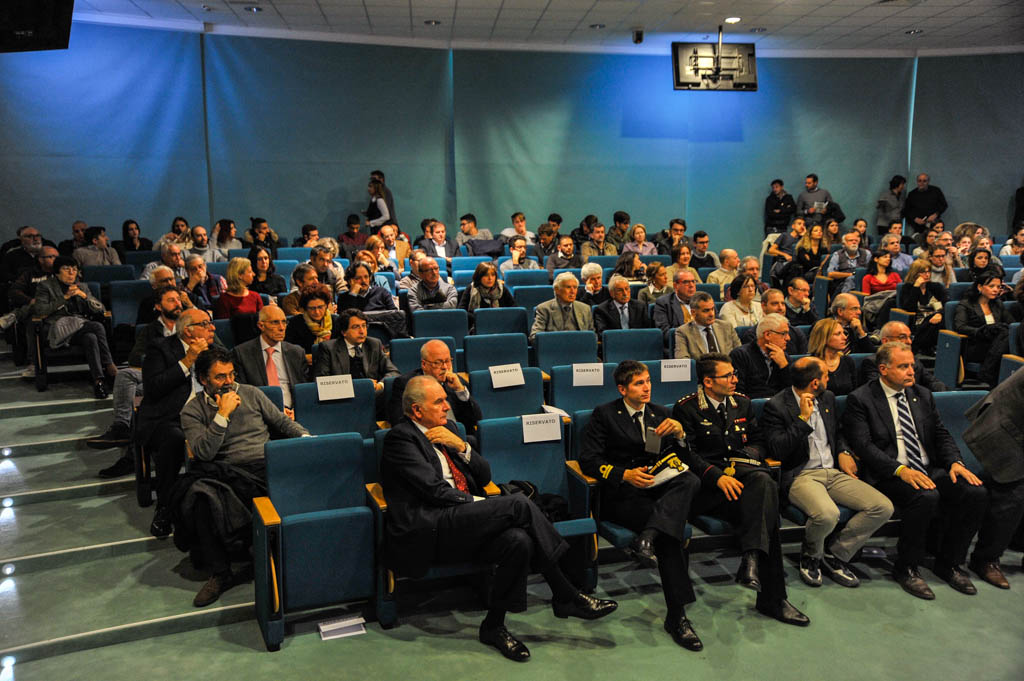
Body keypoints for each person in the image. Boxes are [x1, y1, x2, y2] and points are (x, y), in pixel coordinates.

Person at [381, 375, 616, 661]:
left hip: (461, 520)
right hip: (430, 526)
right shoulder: (401, 439)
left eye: (446, 399)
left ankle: (494, 626)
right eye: (439, 401)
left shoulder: (449, 430)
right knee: (518, 505)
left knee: (518, 541)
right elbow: (434, 491)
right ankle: (566, 592)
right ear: (417, 410)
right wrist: (481, 504)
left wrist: (462, 447)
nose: (447, 406)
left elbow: (484, 476)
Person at [673, 353, 809, 626]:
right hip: (707, 490)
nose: (734, 379)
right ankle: (771, 595)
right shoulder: (686, 408)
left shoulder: (742, 403)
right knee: (766, 506)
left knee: (763, 489)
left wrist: (746, 457)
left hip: (741, 481)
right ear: (708, 382)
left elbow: (759, 442)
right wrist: (718, 477)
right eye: (727, 376)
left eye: (734, 374)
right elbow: (687, 456)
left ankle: (751, 561)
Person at [843, 343, 987, 599]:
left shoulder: (922, 394)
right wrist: (900, 470)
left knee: (974, 492)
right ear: (883, 369)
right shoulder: (861, 398)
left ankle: (950, 563)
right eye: (903, 366)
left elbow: (941, 434)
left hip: (927, 467)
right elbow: (864, 447)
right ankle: (907, 567)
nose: (911, 371)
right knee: (925, 496)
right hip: (888, 473)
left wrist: (955, 462)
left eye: (912, 365)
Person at [579, 361, 704, 650]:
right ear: (622, 389)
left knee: (690, 480)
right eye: (639, 383)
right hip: (624, 495)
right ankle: (677, 617)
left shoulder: (661, 413)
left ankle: (647, 537)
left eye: (648, 381)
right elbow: (589, 460)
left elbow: (683, 459)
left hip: (657, 489)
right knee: (670, 535)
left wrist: (681, 435)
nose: (647, 387)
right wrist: (624, 475)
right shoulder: (605, 415)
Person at [175, 346, 310, 606]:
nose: (228, 382)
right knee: (199, 497)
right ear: (203, 379)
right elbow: (203, 453)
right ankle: (221, 573)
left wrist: (307, 438)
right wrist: (222, 415)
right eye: (220, 377)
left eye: (231, 375)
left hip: (264, 465)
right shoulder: (192, 411)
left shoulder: (251, 393)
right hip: (224, 471)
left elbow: (282, 423)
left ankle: (292, 558)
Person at [762, 357, 894, 587]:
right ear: (815, 382)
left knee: (882, 507)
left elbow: (838, 431)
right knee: (827, 514)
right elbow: (777, 449)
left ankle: (836, 554)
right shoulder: (777, 405)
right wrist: (802, 419)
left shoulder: (827, 398)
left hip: (832, 472)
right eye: (826, 375)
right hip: (801, 475)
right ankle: (811, 556)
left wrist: (843, 451)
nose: (829, 378)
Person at [89, 286, 185, 473]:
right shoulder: (150, 330)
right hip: (158, 375)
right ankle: (122, 428)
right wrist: (160, 358)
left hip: (186, 375)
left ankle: (131, 456)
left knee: (142, 401)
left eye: (178, 299)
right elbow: (135, 358)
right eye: (171, 300)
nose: (177, 304)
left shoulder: (191, 325)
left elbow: (218, 351)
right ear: (159, 306)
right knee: (126, 375)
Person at [139, 308, 217, 537]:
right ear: (188, 331)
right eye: (205, 324)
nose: (212, 328)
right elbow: (154, 388)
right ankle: (165, 507)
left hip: (207, 415)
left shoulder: (213, 350)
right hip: (169, 417)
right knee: (174, 439)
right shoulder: (160, 348)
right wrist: (188, 360)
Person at [962, 369, 1024, 588]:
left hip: (1016, 423)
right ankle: (985, 560)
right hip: (1002, 426)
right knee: (1013, 494)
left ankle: (1017, 542)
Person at [32, 257, 116, 398]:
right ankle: (109, 365)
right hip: (59, 328)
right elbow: (40, 311)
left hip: (80, 328)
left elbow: (101, 309)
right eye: (66, 269)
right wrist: (64, 297)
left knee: (90, 338)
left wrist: (84, 296)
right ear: (57, 272)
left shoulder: (82, 286)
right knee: (96, 326)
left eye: (75, 269)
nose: (71, 273)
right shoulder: (45, 286)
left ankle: (99, 382)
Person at [386, 339, 482, 431]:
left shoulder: (456, 382)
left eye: (448, 361)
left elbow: (476, 418)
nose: (445, 367)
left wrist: (460, 390)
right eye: (438, 362)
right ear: (424, 364)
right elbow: (398, 421)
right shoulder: (406, 384)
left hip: (459, 436)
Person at [232, 305, 309, 416]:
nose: (282, 328)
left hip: (293, 413)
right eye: (275, 322)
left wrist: (297, 410)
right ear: (261, 326)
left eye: (284, 322)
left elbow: (304, 390)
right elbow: (243, 393)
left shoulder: (296, 352)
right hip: (260, 414)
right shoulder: (242, 353)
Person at [314, 308, 399, 397]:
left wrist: (380, 385)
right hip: (342, 398)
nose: (362, 331)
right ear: (344, 332)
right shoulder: (328, 349)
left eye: (364, 326)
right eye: (356, 327)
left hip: (372, 396)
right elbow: (321, 382)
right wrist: (360, 385)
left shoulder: (374, 344)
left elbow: (393, 372)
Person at [954, 272, 1011, 387]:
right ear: (980, 287)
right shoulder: (966, 304)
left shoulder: (998, 304)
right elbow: (960, 327)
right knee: (1005, 335)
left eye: (998, 287)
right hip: (975, 344)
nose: (996, 290)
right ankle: (988, 374)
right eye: (991, 286)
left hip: (997, 343)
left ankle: (987, 373)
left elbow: (1011, 324)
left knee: (1007, 332)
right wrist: (983, 330)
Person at [858, 321, 948, 392]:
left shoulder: (914, 360)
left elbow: (932, 382)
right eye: (902, 337)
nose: (909, 342)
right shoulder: (872, 362)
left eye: (910, 337)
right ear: (886, 341)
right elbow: (878, 391)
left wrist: (943, 393)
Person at [729, 313, 792, 399]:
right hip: (751, 404)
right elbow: (738, 393)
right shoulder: (740, 355)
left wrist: (784, 366)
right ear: (767, 335)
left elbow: (791, 391)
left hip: (779, 405)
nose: (788, 338)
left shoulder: (784, 357)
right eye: (784, 333)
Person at [740, 288, 809, 355]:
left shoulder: (797, 333)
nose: (780, 308)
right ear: (763, 306)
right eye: (775, 304)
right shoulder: (752, 335)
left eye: (783, 304)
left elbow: (804, 360)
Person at [673, 291, 740, 359]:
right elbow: (682, 360)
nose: (711, 314)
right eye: (706, 310)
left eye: (712, 309)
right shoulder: (683, 332)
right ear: (693, 312)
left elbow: (740, 354)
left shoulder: (727, 327)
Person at [529, 272, 593, 342]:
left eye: (575, 287)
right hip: (555, 347)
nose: (572, 291)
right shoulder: (544, 309)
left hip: (580, 347)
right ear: (557, 290)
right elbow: (534, 337)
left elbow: (592, 336)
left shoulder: (585, 309)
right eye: (568, 287)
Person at [807, 318, 857, 396]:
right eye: (838, 334)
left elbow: (855, 392)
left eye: (844, 333)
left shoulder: (848, 361)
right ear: (824, 338)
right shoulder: (810, 364)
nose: (845, 337)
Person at [284, 284, 336, 353]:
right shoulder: (295, 324)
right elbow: (289, 351)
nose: (317, 312)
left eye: (320, 307)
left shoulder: (336, 322)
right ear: (305, 308)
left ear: (326, 305)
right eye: (312, 308)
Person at [653, 270, 697, 345]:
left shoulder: (704, 300)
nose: (691, 285)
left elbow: (716, 327)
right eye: (686, 282)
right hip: (679, 345)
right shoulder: (664, 303)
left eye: (693, 281)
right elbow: (665, 333)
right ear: (675, 285)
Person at [823, 231, 872, 296]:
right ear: (844, 243)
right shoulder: (837, 255)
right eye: (851, 240)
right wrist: (850, 274)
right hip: (842, 284)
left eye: (856, 240)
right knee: (850, 279)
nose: (854, 242)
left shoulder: (866, 253)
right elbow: (830, 273)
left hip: (862, 282)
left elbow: (871, 270)